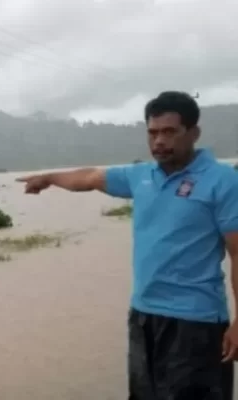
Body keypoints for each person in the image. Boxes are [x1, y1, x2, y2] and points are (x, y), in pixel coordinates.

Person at [16, 91, 238, 400]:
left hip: (196, 322)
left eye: (169, 132)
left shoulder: (223, 180)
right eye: (152, 132)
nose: (159, 140)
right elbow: (91, 177)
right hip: (143, 315)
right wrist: (50, 177)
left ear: (194, 133)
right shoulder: (140, 176)